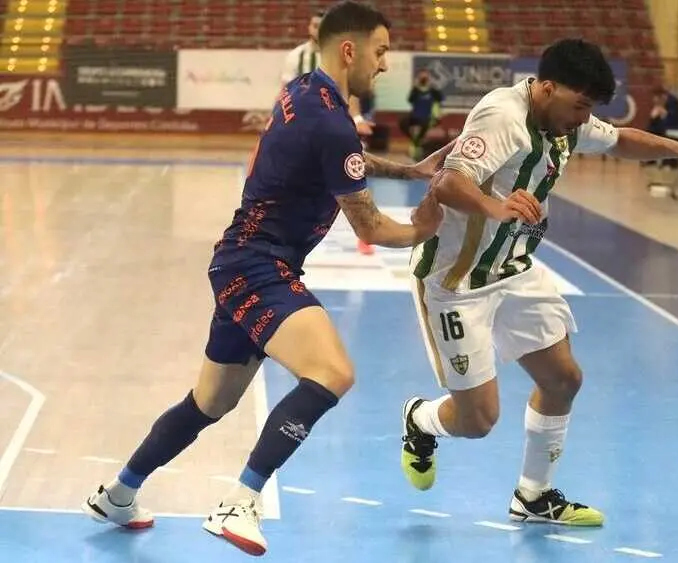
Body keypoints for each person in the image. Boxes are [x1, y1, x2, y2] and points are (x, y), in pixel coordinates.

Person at [82, 1, 448, 556]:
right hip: (259, 265)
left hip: (239, 259)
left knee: (209, 402)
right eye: (379, 52)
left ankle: (120, 492)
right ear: (349, 50)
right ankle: (241, 500)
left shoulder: (304, 91)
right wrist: (424, 226)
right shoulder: (334, 123)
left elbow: (340, 156)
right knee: (332, 373)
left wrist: (409, 170)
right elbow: (370, 223)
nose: (383, 65)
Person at [400, 38, 678, 526]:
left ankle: (533, 497)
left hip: (514, 268)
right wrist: (498, 206)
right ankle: (419, 420)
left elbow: (620, 140)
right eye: (580, 106)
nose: (584, 118)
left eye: (590, 109)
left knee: (563, 380)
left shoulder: (564, 120)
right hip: (456, 280)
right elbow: (448, 181)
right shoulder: (502, 116)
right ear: (547, 88)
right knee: (477, 421)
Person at [281, 8, 378, 257]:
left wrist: (355, 119)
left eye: (321, 25)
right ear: (309, 29)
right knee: (297, 183)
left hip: (336, 128)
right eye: (313, 26)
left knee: (355, 177)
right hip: (303, 131)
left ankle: (366, 234)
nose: (316, 30)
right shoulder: (297, 56)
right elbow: (286, 92)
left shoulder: (341, 54)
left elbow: (349, 91)